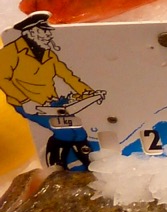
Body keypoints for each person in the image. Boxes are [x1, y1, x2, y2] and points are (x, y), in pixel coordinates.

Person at [0, 14, 103, 170]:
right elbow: (3, 79)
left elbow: (68, 76)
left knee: (80, 133)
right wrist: (25, 101)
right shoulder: (9, 53)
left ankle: (89, 168)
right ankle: (56, 167)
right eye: (44, 31)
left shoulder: (48, 54)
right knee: (65, 133)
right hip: (28, 105)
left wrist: (89, 92)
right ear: (31, 33)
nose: (49, 35)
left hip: (51, 103)